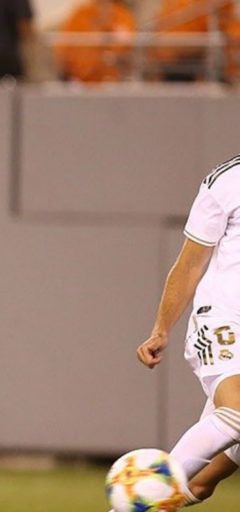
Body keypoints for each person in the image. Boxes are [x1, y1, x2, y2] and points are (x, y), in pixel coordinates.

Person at [127, 155, 240, 508]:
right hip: (223, 320)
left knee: (201, 484)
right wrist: (161, 328)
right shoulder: (228, 180)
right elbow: (190, 265)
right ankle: (141, 499)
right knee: (238, 411)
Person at [55, 0, 136, 84]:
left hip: (114, 80)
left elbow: (128, 47)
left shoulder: (123, 16)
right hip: (80, 81)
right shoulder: (81, 15)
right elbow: (63, 50)